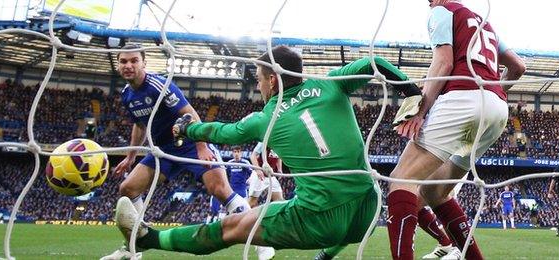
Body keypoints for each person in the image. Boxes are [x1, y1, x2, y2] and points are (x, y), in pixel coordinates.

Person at [109, 45, 422, 258]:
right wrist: (411, 94)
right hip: (367, 210)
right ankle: (326, 255)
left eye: (258, 80)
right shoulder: (331, 83)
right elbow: (374, 62)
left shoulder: (264, 120)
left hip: (318, 220)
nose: (258, 87)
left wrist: (187, 129)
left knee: (232, 228)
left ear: (272, 80)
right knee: (342, 196)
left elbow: (222, 132)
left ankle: (150, 240)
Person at [386, 0, 526, 259]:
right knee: (434, 191)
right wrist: (491, 95)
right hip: (497, 109)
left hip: (462, 98)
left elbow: (443, 63)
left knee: (401, 179)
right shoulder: (486, 25)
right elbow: (518, 67)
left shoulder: (442, 11)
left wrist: (420, 110)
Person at [101, 44, 250, 260]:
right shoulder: (127, 95)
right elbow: (140, 125)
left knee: (219, 190)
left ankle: (260, 243)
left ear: (144, 63)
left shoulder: (157, 85)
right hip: (163, 150)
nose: (128, 65)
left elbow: (189, 113)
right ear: (118, 64)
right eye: (123, 61)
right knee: (128, 189)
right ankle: (133, 249)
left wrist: (202, 147)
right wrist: (131, 157)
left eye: (134, 60)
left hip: (189, 143)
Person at [207, 145, 252, 223]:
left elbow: (252, 173)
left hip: (242, 190)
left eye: (238, 152)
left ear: (241, 153)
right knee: (225, 208)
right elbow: (225, 175)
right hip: (231, 190)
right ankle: (221, 223)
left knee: (244, 209)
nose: (236, 154)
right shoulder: (229, 163)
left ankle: (244, 224)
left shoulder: (245, 162)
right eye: (235, 152)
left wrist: (250, 179)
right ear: (232, 153)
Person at [248, 142, 284, 208]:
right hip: (260, 176)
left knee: (279, 201)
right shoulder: (263, 142)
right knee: (252, 203)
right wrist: (258, 170)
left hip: (271, 176)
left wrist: (279, 169)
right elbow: (253, 156)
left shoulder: (279, 143)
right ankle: (239, 217)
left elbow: (279, 157)